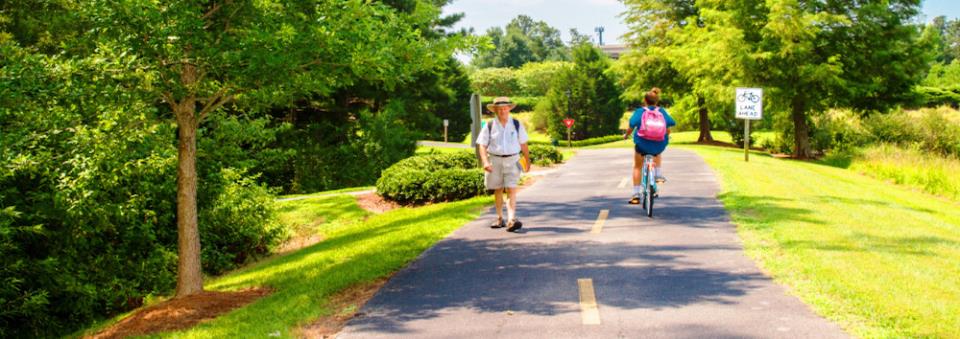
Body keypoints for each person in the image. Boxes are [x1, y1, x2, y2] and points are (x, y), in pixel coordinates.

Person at [476, 96, 531, 232]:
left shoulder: (517, 124)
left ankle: (512, 219)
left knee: (512, 189)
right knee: (498, 189)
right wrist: (485, 162)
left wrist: (528, 160)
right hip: (495, 160)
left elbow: (523, 144)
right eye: (499, 109)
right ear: (495, 110)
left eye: (505, 108)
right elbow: (482, 145)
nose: (502, 111)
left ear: (509, 109)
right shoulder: (489, 125)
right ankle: (500, 218)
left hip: (513, 160)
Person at [626, 88, 676, 205]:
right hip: (658, 144)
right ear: (657, 101)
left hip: (642, 144)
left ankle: (636, 194)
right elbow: (671, 123)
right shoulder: (661, 111)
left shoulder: (640, 111)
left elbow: (631, 125)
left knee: (637, 167)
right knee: (657, 151)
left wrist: (626, 135)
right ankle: (658, 175)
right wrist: (666, 134)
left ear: (645, 100)